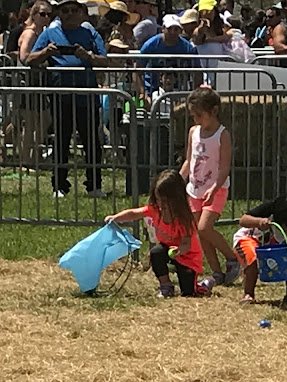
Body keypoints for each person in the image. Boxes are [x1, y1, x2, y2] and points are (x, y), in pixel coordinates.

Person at [27, 0, 109, 199]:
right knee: (61, 143)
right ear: (59, 13)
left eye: (74, 10)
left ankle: (94, 185)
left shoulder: (90, 33)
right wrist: (46, 52)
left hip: (87, 97)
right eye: (65, 11)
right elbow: (29, 59)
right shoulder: (49, 33)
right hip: (60, 97)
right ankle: (59, 185)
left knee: (91, 143)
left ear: (81, 12)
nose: (70, 14)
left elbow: (105, 61)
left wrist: (88, 56)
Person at [179, 86, 241, 291]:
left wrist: (214, 189)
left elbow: (224, 168)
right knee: (201, 233)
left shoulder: (222, 135)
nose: (196, 119)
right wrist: (178, 181)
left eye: (199, 115)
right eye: (193, 115)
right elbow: (189, 160)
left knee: (205, 228)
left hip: (216, 189)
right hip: (194, 189)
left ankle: (232, 258)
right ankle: (216, 271)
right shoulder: (193, 132)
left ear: (213, 111)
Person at [105, 170, 204, 298]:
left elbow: (186, 243)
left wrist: (179, 250)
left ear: (176, 198)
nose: (161, 204)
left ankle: (205, 285)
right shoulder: (155, 210)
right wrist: (115, 218)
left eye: (165, 200)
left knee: (188, 293)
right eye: (158, 199)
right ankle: (165, 286)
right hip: (167, 249)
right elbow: (134, 213)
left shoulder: (184, 219)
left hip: (187, 256)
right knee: (155, 253)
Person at [234, 193, 287, 307]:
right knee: (253, 258)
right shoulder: (270, 208)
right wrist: (259, 221)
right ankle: (248, 293)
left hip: (272, 247)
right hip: (248, 239)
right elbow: (243, 220)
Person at [17, 0, 52, 163]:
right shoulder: (30, 33)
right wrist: (43, 59)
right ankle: (25, 160)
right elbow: (24, 57)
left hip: (37, 82)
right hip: (28, 81)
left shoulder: (40, 33)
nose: (46, 18)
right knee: (30, 123)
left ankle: (33, 156)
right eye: (42, 14)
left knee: (43, 120)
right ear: (34, 14)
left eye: (49, 15)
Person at [137, 15, 201, 103]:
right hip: (152, 91)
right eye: (169, 28)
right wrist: (143, 92)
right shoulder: (150, 45)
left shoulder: (187, 48)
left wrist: (194, 94)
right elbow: (137, 70)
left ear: (180, 30)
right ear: (163, 29)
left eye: (176, 29)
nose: (172, 32)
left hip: (179, 92)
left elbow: (197, 71)